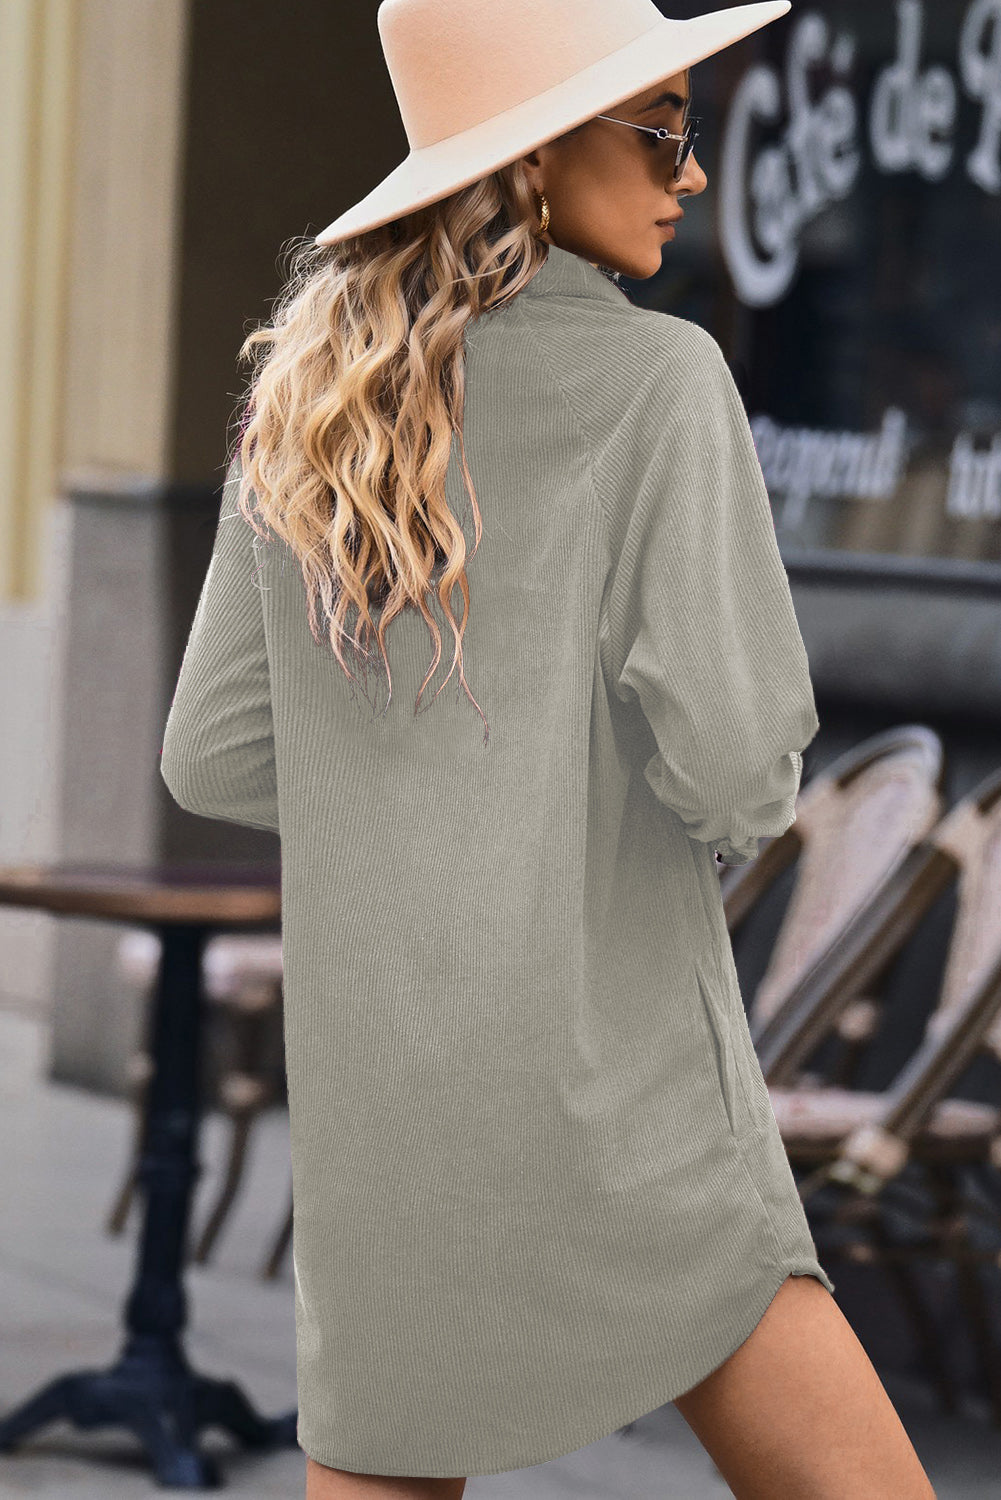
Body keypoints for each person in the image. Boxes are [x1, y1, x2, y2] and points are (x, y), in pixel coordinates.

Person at [159, 1, 938, 1496]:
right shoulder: (660, 382)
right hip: (623, 1079)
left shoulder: (308, 406)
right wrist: (574, 794)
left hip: (388, 1090)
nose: (691, 174)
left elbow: (215, 754)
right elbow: (733, 765)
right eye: (662, 130)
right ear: (527, 161)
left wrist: (425, 787)